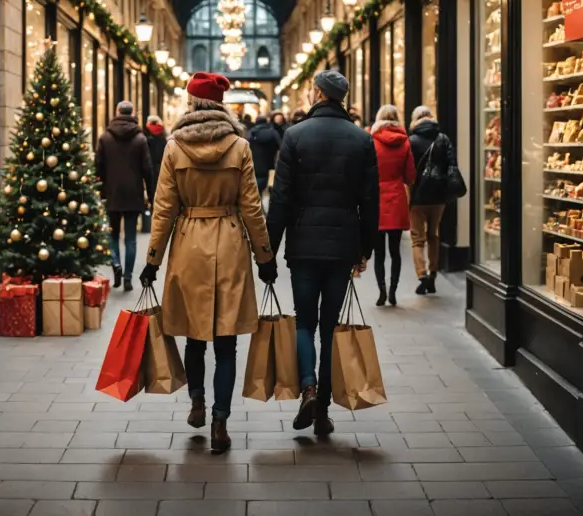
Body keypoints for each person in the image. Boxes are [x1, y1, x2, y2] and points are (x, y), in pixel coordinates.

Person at [140, 72, 275, 454]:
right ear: (221, 105)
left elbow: (164, 209)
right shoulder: (239, 146)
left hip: (188, 246)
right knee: (227, 344)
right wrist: (265, 257)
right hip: (230, 243)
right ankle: (220, 421)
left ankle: (197, 400)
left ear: (192, 104)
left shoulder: (174, 148)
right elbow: (252, 207)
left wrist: (152, 260)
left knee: (194, 336)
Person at [267, 70, 379, 436]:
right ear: (341, 97)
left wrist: (268, 249)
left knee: (305, 322)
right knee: (331, 327)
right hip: (343, 244)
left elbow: (281, 198)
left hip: (303, 244)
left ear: (317, 93)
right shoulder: (361, 139)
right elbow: (370, 201)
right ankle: (323, 411)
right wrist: (365, 248)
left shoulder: (295, 135)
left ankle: (308, 388)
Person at [96, 101, 154, 291]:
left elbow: (98, 167)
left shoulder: (105, 137)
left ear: (117, 112)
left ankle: (116, 263)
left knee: (112, 235)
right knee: (130, 238)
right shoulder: (140, 138)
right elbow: (147, 170)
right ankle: (128, 277)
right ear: (132, 113)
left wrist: (101, 190)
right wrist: (151, 196)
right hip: (133, 194)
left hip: (112, 193)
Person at [371, 104, 416, 306]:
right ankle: (393, 291)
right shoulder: (404, 142)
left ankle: (381, 289)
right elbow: (410, 175)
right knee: (395, 251)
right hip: (396, 198)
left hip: (377, 199)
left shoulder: (372, 141)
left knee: (379, 252)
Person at [408, 105, 455, 295]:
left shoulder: (411, 141)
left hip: (418, 196)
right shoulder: (443, 139)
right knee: (434, 234)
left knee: (417, 239)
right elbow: (452, 165)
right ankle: (433, 272)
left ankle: (422, 276)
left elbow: (408, 170)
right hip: (438, 196)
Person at [248, 115, 282, 194]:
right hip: (270, 164)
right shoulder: (273, 132)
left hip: (254, 165)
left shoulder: (250, 133)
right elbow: (280, 146)